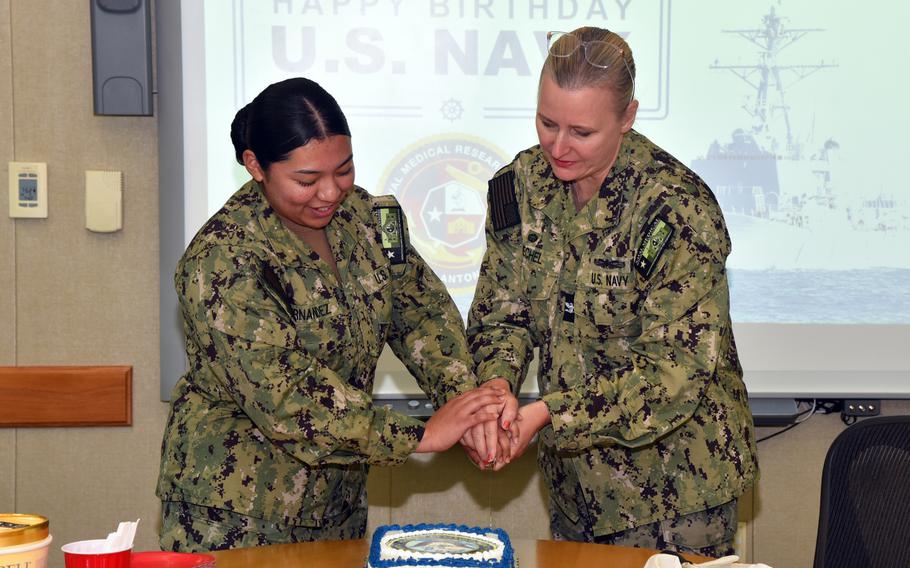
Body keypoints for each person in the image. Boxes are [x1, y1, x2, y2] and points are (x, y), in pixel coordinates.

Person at [156, 77, 510, 552]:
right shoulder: (221, 260)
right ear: (255, 166)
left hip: (335, 505)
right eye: (306, 180)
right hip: (238, 514)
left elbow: (423, 316)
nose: (330, 192)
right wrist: (422, 434)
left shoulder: (368, 217)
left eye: (343, 170)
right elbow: (288, 400)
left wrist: (467, 402)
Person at [467, 27, 759, 558]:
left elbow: (671, 374)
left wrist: (547, 412)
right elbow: (500, 316)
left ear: (627, 118)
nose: (558, 147)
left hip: (673, 493)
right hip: (574, 488)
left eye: (581, 132)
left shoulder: (676, 210)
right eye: (546, 123)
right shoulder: (520, 186)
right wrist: (497, 389)